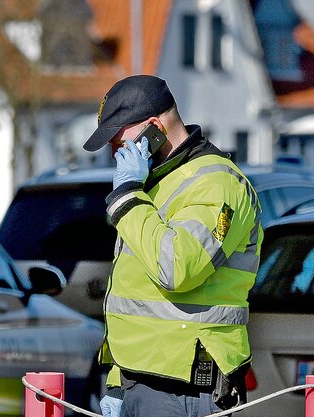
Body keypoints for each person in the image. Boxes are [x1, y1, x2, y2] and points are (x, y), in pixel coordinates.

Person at [83, 75, 262, 417]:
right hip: (145, 384)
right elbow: (137, 297)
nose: (114, 155)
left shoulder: (217, 183)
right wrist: (120, 381)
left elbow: (178, 268)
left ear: (154, 128)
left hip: (186, 389)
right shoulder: (153, 185)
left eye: (120, 143)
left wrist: (127, 197)